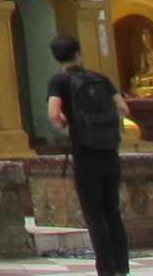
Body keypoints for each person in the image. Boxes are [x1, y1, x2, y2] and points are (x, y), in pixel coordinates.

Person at [48, 34, 128, 276]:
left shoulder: (59, 80)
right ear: (79, 54)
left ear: (56, 57)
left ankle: (105, 270)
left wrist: (65, 124)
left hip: (85, 153)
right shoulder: (100, 78)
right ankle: (122, 268)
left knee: (94, 215)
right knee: (112, 211)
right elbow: (123, 108)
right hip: (109, 151)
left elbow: (53, 113)